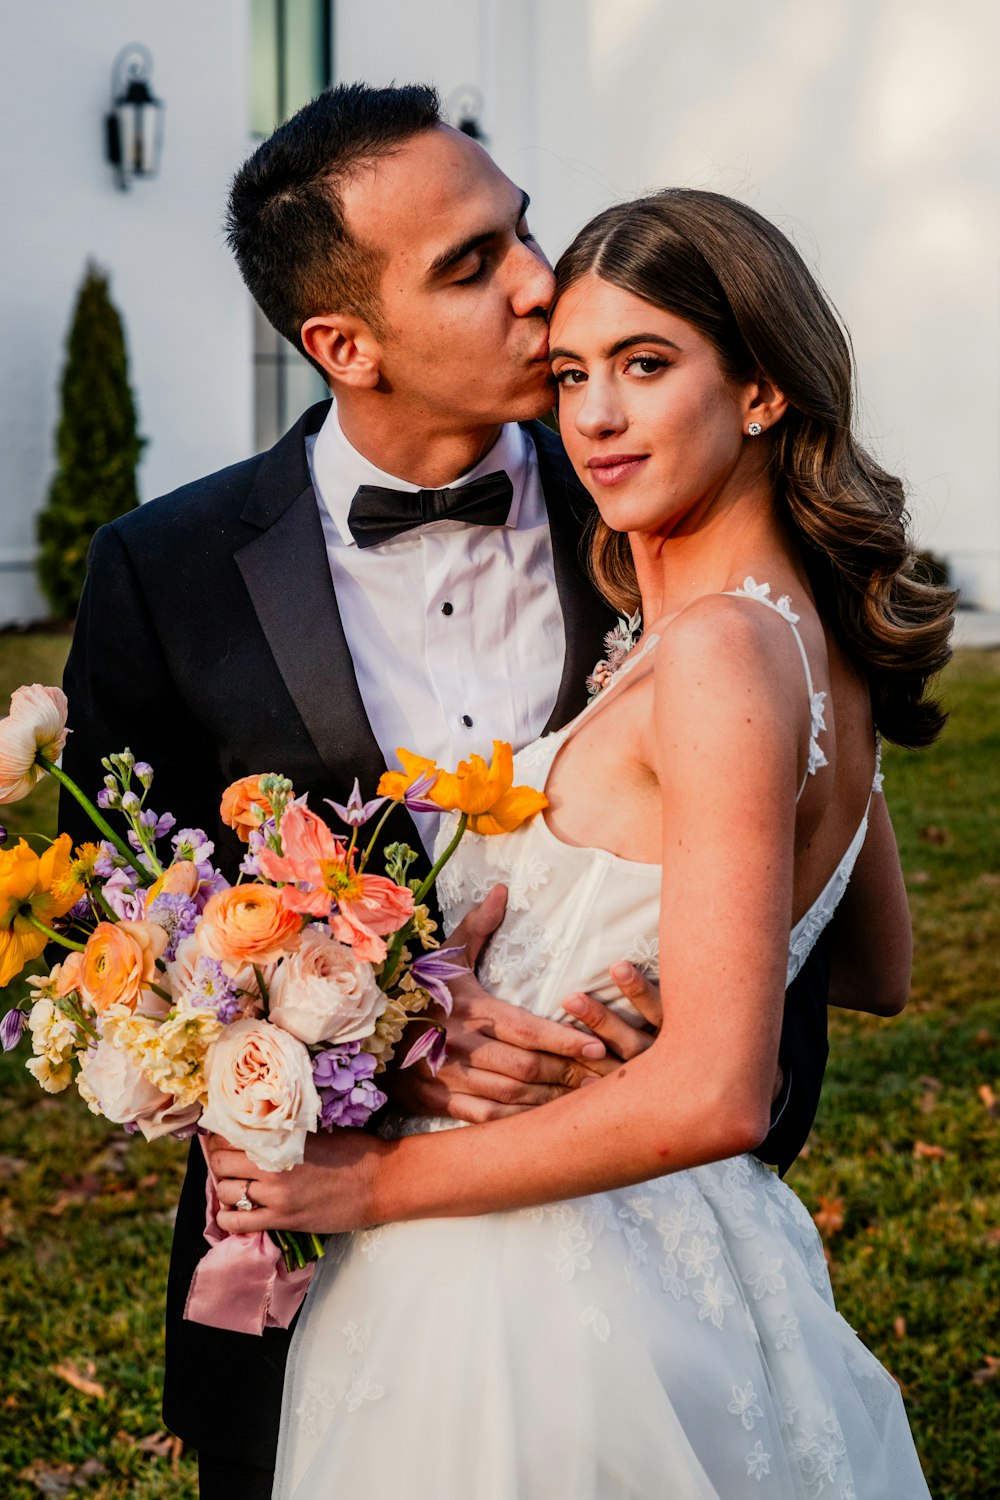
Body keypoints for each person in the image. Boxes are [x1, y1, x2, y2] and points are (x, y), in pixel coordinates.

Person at [61, 87, 882, 1497]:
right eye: (469, 265)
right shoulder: (167, 573)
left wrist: (675, 1005)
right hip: (316, 1272)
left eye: (520, 232)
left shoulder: (644, 505)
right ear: (345, 343)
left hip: (632, 1263)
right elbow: (116, 937)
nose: (538, 286)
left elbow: (789, 868)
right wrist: (367, 1059)